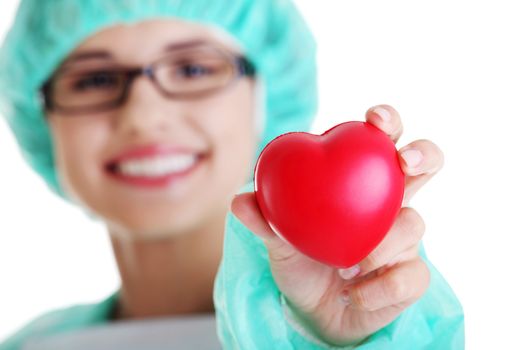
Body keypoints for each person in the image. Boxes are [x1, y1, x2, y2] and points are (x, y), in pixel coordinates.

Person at [0, 0, 464, 348]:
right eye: (94, 80)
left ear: (265, 96)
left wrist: (339, 337)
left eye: (193, 68)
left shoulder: (340, 330)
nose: (143, 115)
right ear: (41, 118)